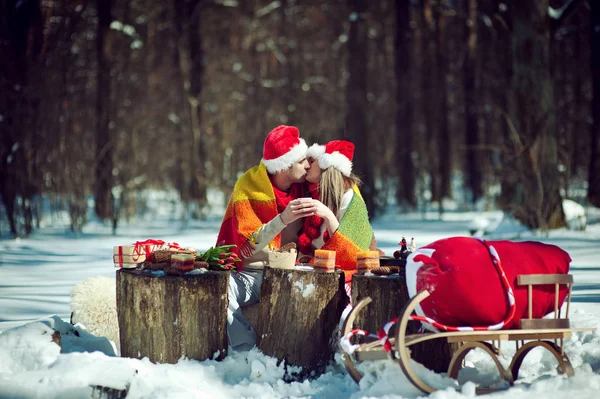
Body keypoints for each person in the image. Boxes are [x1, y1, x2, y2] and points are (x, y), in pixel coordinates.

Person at [216, 125, 315, 350]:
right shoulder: (248, 186)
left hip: (294, 272)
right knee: (219, 288)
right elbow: (247, 246)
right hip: (254, 275)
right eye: (301, 162)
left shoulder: (306, 188)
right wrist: (283, 219)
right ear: (283, 167)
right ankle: (245, 350)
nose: (308, 165)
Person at [298, 140, 377, 285]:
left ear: (325, 166)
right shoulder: (313, 193)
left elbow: (350, 253)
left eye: (312, 160)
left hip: (342, 277)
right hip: (316, 270)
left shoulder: (351, 200)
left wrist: (328, 215)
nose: (307, 165)